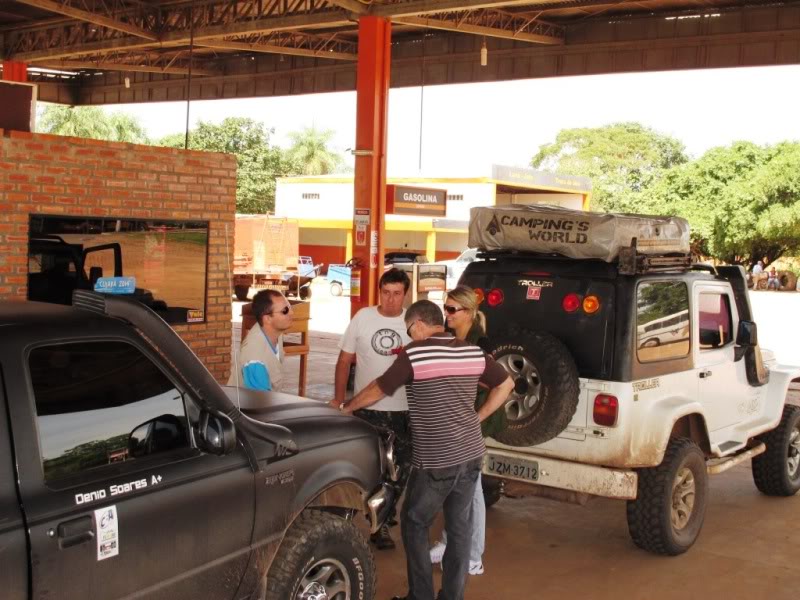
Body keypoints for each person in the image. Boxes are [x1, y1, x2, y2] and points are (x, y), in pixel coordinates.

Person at [342, 300, 514, 600]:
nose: (410, 336)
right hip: (471, 453)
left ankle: (419, 596)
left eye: (410, 330)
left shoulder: (416, 353)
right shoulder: (472, 351)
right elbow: (507, 383)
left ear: (420, 324)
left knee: (414, 521)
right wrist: (480, 416)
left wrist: (349, 406)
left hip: (438, 459)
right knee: (459, 528)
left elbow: (380, 387)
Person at [332, 267, 412, 550]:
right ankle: (346, 519)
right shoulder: (363, 318)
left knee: (397, 473)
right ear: (379, 292)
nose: (390, 300)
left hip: (403, 412)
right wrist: (339, 400)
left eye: (397, 294)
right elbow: (344, 361)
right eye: (385, 293)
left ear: (405, 294)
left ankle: (383, 526)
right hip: (366, 410)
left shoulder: (413, 323)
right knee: (364, 469)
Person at [429, 285, 506, 577]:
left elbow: (498, 385)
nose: (446, 314)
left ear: (469, 313)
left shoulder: (480, 344)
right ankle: (450, 542)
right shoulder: (451, 338)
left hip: (470, 423)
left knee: (471, 490)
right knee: (455, 488)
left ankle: (473, 555)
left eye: (451, 309)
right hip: (455, 423)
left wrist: (476, 417)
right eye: (444, 308)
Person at [228, 289, 293, 394]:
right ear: (267, 318)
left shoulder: (273, 332)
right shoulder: (255, 358)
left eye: (290, 307)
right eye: (285, 311)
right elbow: (261, 405)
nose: (292, 313)